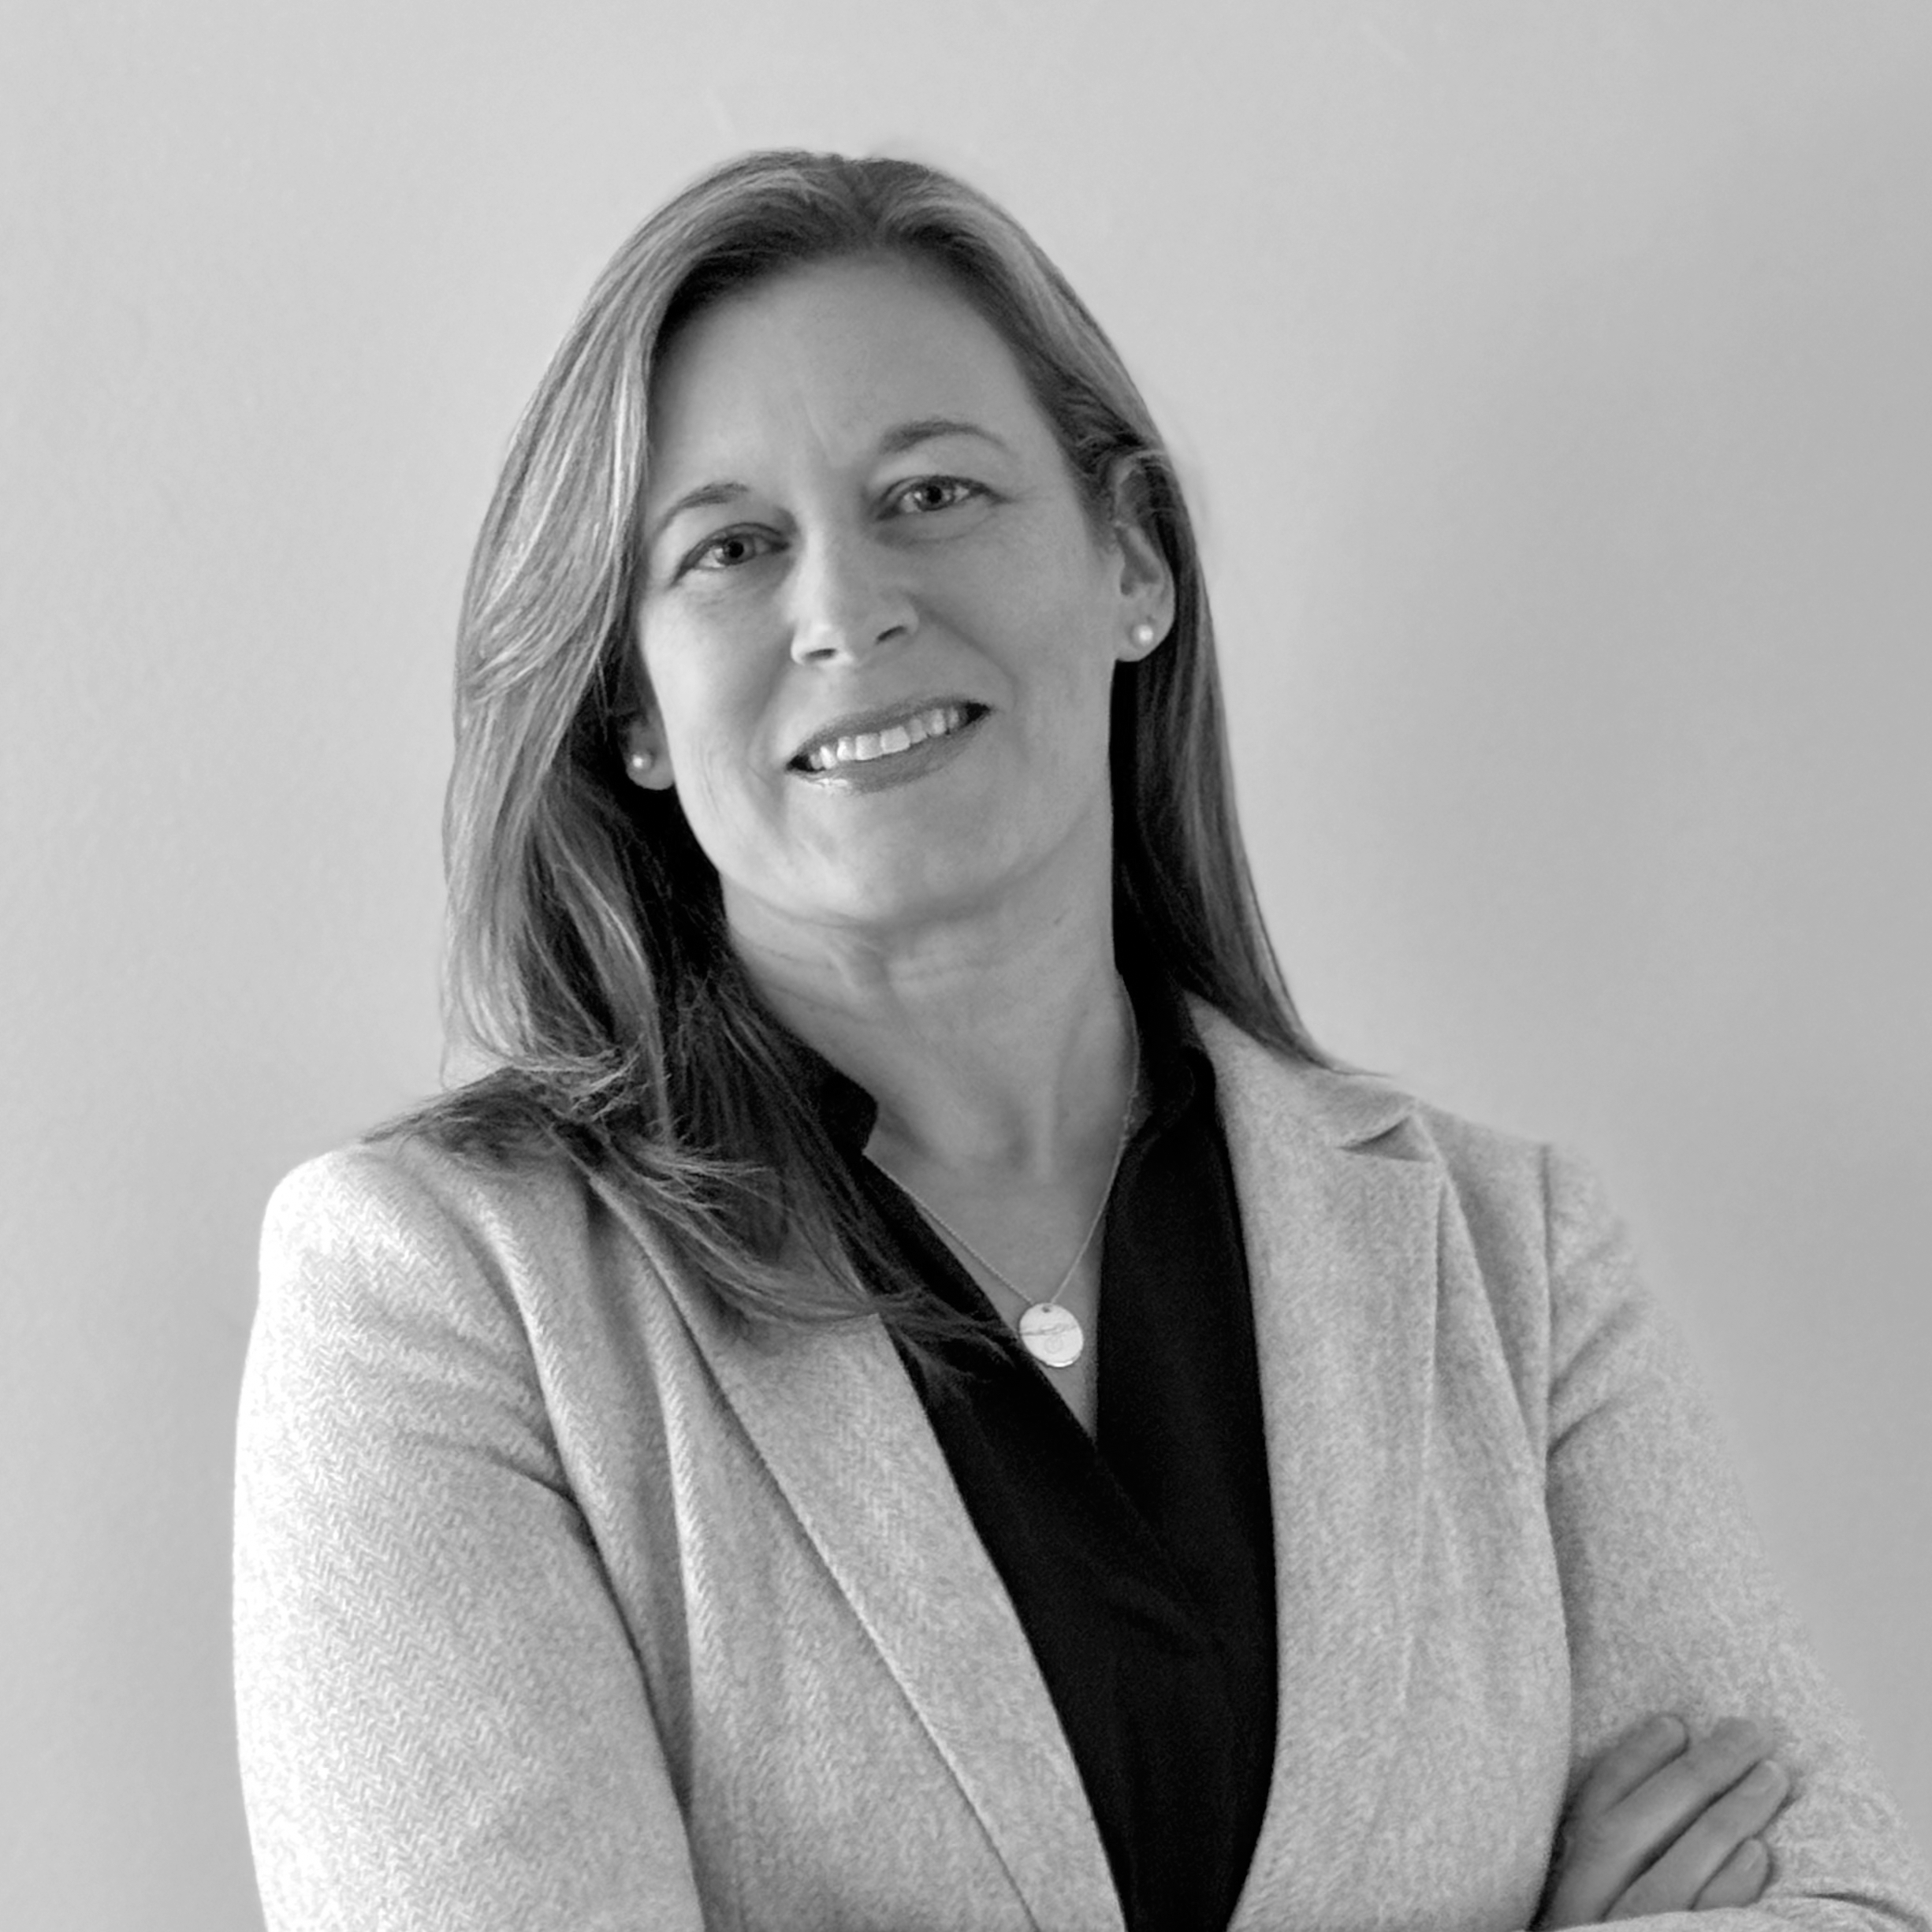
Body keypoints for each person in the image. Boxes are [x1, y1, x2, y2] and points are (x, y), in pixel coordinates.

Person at [232, 151, 1928, 1932]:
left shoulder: (1510, 1265)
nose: (846, 609)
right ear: (631, 707)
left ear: (1133, 564)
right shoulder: (439, 1294)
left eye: (933, 492)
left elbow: (1843, 1905)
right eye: (730, 548)